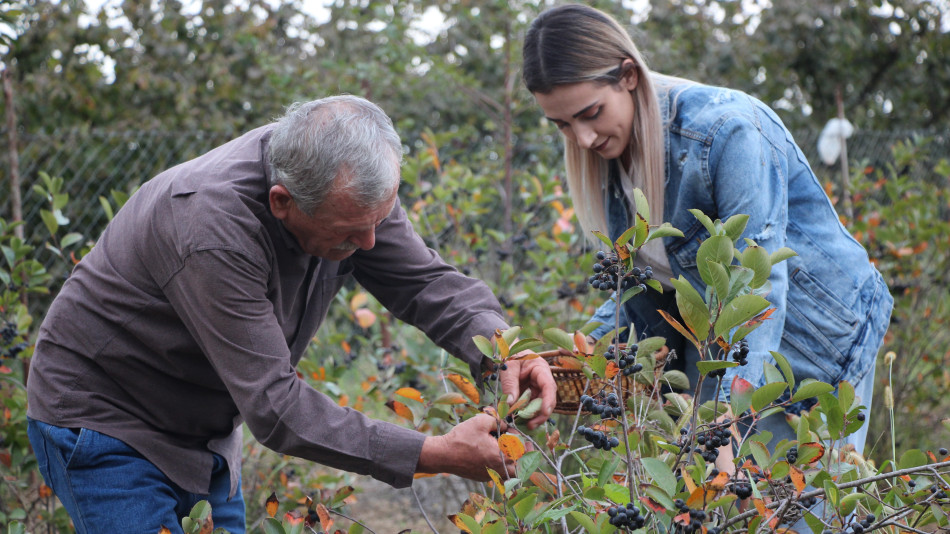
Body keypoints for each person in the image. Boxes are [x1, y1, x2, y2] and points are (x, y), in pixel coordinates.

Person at [26, 95, 556, 533]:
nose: (369, 242)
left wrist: (505, 348)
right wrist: (432, 451)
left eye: (378, 220)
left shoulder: (349, 188)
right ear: (282, 202)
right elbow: (277, 407)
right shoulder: (210, 227)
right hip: (106, 420)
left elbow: (424, 281)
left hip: (203, 430)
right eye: (350, 232)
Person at [521, 4, 892, 454]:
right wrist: (576, 358)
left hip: (809, 338)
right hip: (716, 344)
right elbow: (642, 289)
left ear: (628, 76)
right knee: (716, 504)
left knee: (800, 508)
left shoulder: (725, 131)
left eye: (591, 112)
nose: (582, 138)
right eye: (563, 125)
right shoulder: (610, 162)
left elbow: (756, 285)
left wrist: (726, 421)